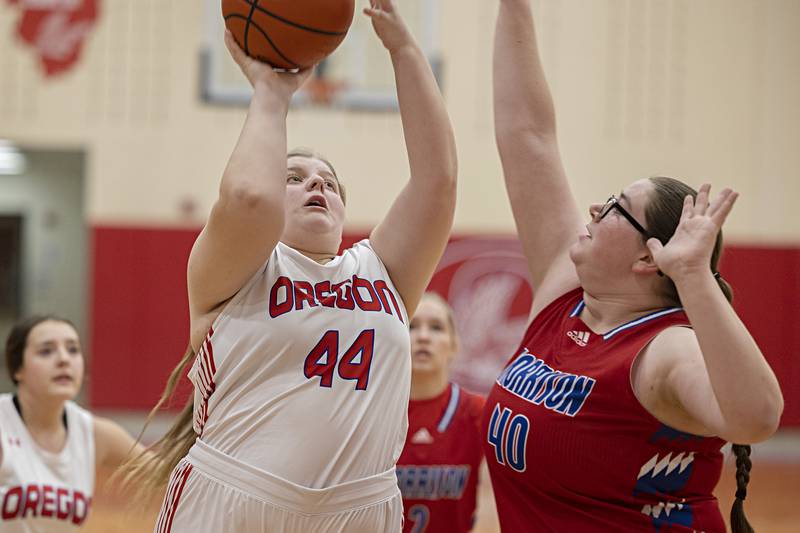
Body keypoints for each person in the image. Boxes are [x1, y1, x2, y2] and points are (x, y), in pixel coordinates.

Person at [120, 0, 457, 531]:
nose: (316, 184)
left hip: (360, 509)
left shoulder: (380, 272)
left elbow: (437, 181)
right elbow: (251, 197)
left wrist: (404, 49)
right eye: (294, 176)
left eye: (328, 181)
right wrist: (271, 92)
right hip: (234, 495)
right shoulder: (238, 270)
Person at [483, 1, 784, 532]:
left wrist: (692, 277)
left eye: (616, 206)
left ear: (650, 257)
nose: (595, 209)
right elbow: (527, 134)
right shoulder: (567, 290)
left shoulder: (666, 349)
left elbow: (757, 418)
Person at [0, 315, 144, 531]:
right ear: (18, 369)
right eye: (46, 351)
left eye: (73, 349)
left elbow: (167, 474)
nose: (64, 359)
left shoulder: (94, 433)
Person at [397, 292, 487, 533]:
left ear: (454, 345)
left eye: (436, 328)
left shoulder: (479, 413)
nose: (423, 337)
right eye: (412, 327)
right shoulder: (373, 413)